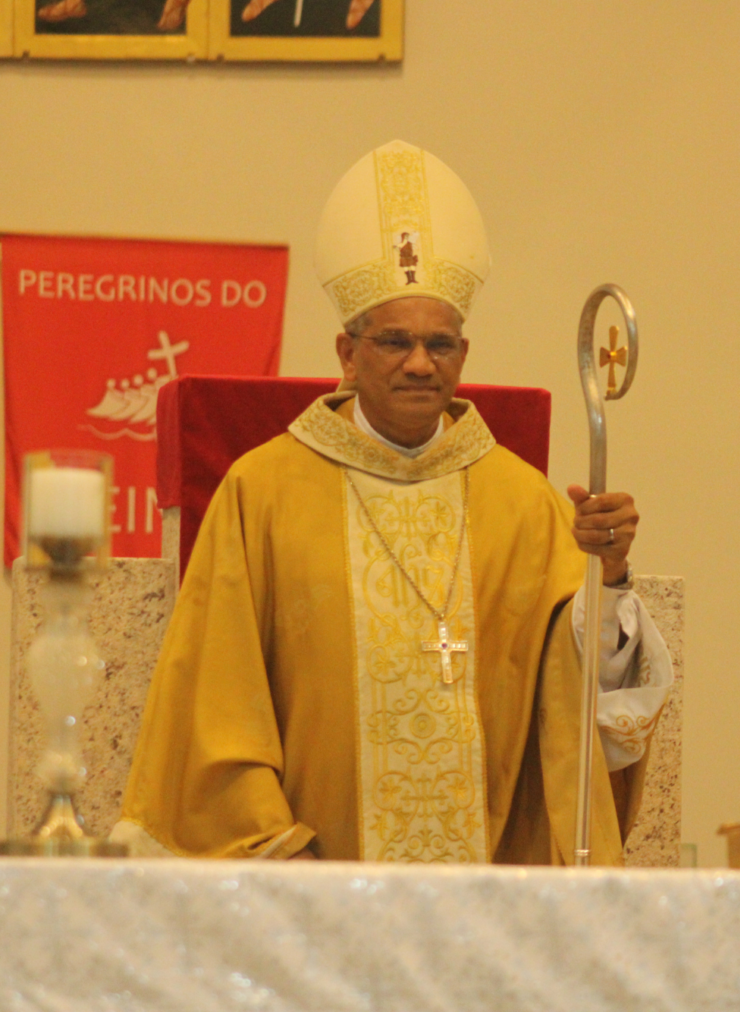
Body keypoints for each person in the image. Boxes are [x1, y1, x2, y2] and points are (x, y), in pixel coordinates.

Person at [112, 141, 671, 865]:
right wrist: (274, 851)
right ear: (348, 353)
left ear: (462, 355)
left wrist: (612, 576)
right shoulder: (264, 492)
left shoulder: (522, 503)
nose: (418, 362)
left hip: (488, 892)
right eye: (394, 341)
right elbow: (215, 705)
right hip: (317, 888)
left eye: (440, 343)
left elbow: (578, 703)